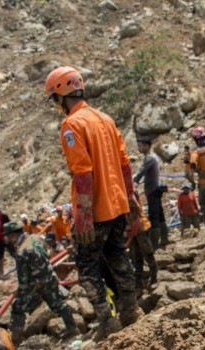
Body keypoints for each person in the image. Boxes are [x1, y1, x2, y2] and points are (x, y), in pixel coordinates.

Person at [45, 65, 141, 335]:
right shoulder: (104, 119)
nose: (56, 105)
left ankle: (107, 321)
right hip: (118, 205)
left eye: (55, 99)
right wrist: (130, 198)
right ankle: (131, 309)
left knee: (87, 264)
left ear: (62, 96)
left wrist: (84, 217)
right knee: (117, 254)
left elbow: (83, 173)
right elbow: (125, 164)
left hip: (96, 211)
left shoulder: (72, 125)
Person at [3, 221, 78, 342]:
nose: (6, 238)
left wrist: (21, 292)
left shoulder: (21, 252)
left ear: (12, 235)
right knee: (59, 304)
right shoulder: (35, 238)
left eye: (6, 235)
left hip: (35, 284)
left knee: (18, 308)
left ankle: (16, 341)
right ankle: (72, 328)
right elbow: (47, 254)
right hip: (50, 277)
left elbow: (23, 279)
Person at [134, 136, 169, 251]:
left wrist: (133, 181)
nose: (139, 148)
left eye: (141, 146)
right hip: (155, 188)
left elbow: (140, 173)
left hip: (153, 189)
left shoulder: (150, 158)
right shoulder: (152, 157)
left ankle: (154, 245)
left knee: (154, 215)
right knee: (159, 214)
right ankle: (164, 239)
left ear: (147, 146)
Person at [127, 196, 158, 296]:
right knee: (137, 258)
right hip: (133, 230)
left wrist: (128, 241)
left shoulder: (129, 196)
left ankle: (154, 279)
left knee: (148, 255)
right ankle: (139, 285)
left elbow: (136, 220)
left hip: (140, 229)